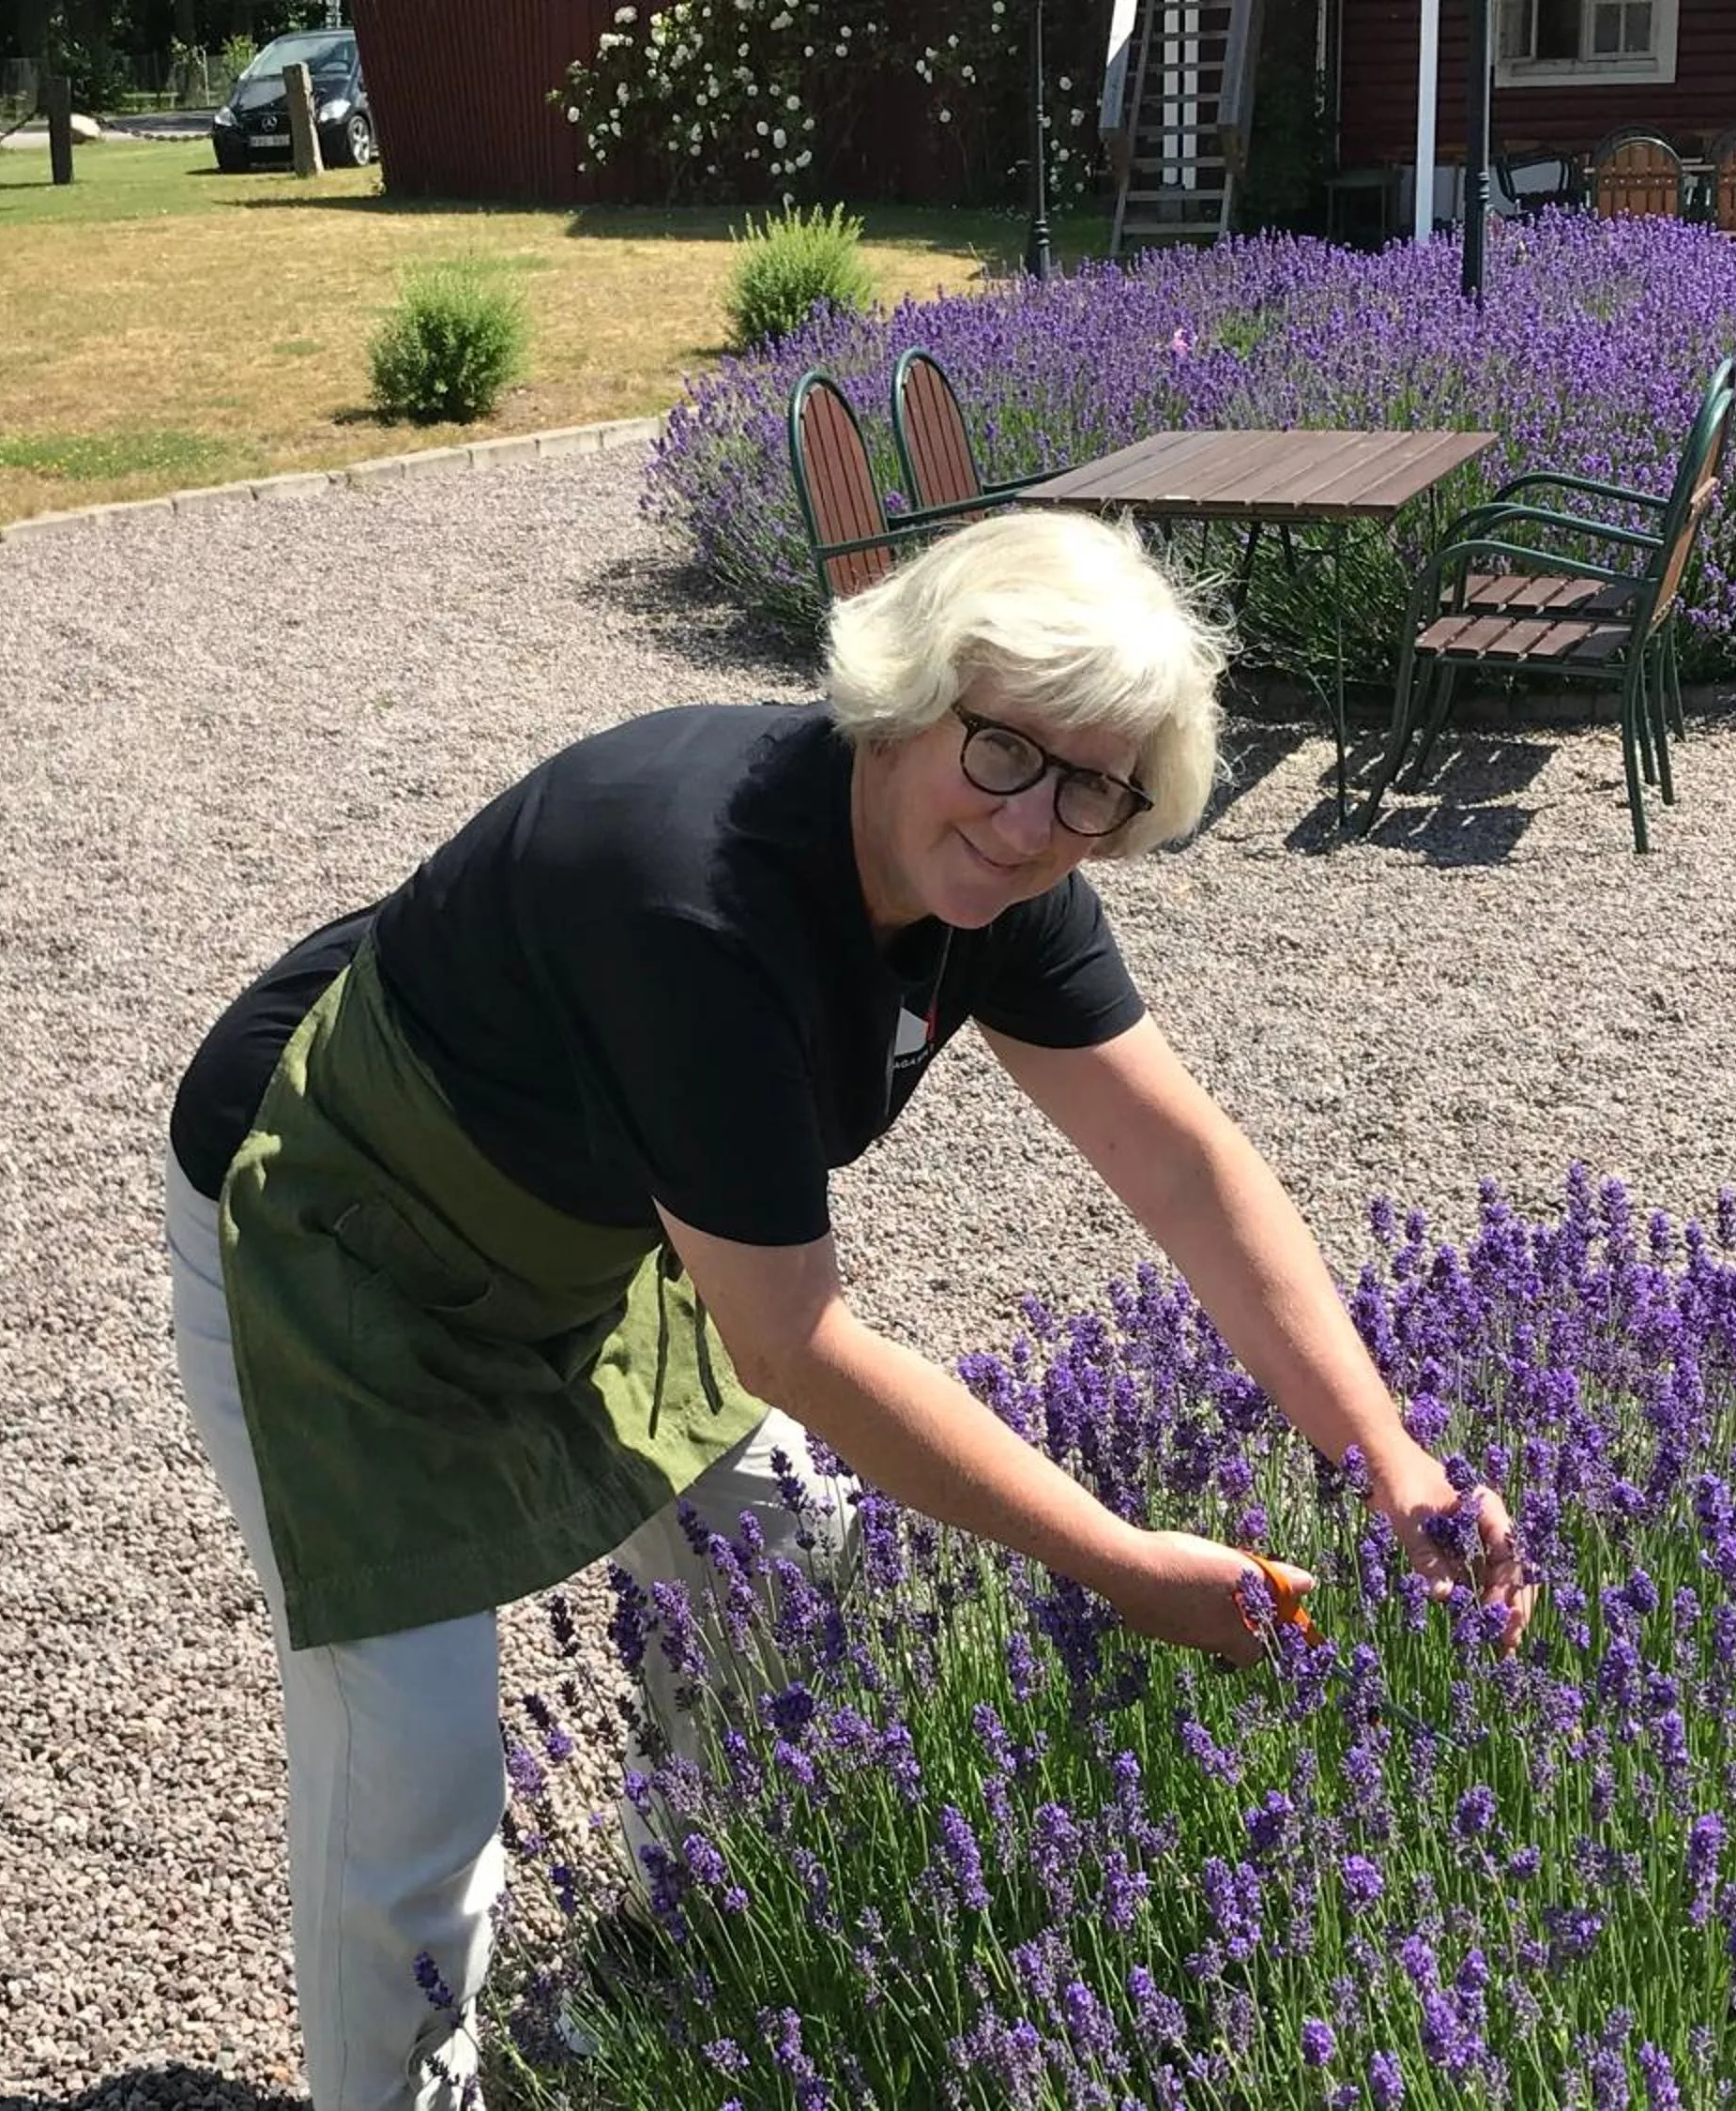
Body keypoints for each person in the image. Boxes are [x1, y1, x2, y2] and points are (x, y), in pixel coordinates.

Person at [161, 509, 1539, 2111]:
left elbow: (1180, 1164)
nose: (1036, 824)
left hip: (603, 1212)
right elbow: (794, 1341)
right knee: (414, 1780)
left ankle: (665, 1942)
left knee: (781, 1579)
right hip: (342, 1213)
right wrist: (1123, 1566)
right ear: (910, 695)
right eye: (1006, 749)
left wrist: (1393, 1461)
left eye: (1095, 786)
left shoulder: (1002, 877)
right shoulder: (697, 894)